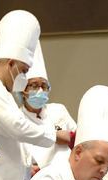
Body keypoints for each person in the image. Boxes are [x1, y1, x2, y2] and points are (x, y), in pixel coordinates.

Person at [0, 10, 62, 180]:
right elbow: (16, 126)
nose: (24, 77)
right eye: (24, 71)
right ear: (11, 64)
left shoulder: (3, 92)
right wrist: (52, 135)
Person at [22, 42, 76, 170]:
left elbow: (78, 140)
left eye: (44, 86)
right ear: (23, 89)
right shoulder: (17, 118)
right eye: (34, 85)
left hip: (68, 173)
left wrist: (70, 137)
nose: (40, 91)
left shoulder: (58, 110)